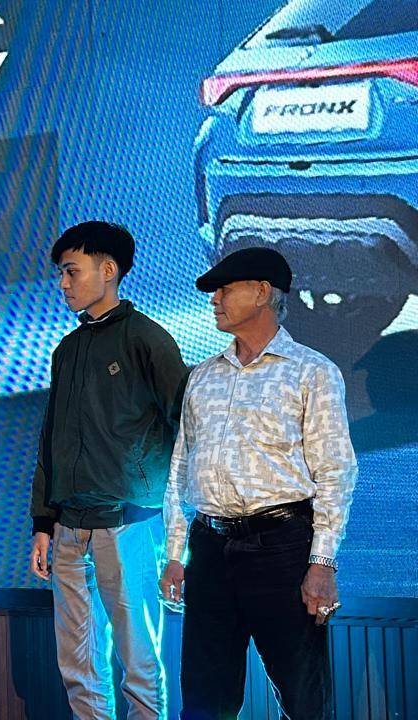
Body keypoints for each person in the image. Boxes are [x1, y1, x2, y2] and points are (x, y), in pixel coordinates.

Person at [159, 247, 357, 719]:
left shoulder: (312, 371)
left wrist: (322, 562)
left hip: (281, 547)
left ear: (262, 292)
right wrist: (174, 554)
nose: (215, 300)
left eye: (225, 290)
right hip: (209, 547)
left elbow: (336, 471)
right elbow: (180, 469)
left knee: (304, 696)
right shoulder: (202, 376)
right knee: (204, 698)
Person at [28, 222, 185, 719]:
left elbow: (187, 428)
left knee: (138, 659)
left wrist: (175, 523)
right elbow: (51, 440)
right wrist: (43, 522)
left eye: (71, 271)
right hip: (69, 528)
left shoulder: (147, 339)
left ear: (109, 270)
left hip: (128, 523)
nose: (63, 283)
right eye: (61, 274)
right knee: (78, 663)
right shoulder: (67, 350)